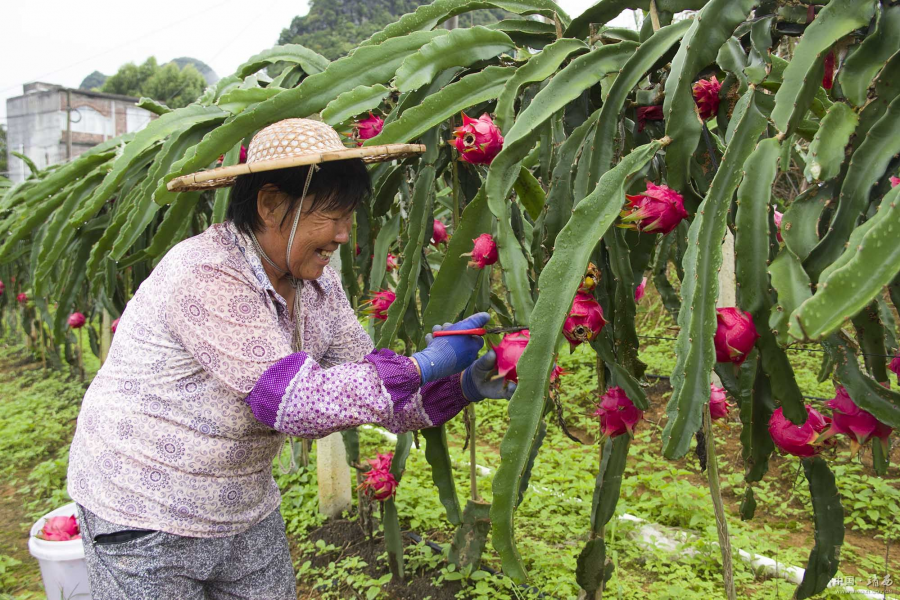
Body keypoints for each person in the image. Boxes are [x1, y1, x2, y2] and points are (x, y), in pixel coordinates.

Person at [66, 119, 515, 599]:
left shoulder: (319, 285)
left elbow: (367, 391)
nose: (344, 235)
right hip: (142, 512)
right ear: (271, 204)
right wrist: (424, 363)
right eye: (332, 216)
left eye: (350, 216)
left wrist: (459, 385)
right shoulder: (205, 272)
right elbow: (296, 403)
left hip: (243, 505)